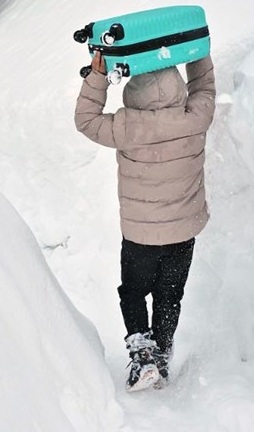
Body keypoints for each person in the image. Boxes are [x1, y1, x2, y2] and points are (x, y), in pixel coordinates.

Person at [74, 50, 216, 391]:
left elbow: (86, 119)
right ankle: (162, 355)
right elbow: (205, 86)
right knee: (170, 295)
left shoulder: (126, 126)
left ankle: (143, 355)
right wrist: (198, 50)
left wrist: (98, 75)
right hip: (183, 231)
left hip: (140, 236)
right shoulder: (194, 117)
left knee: (134, 292)